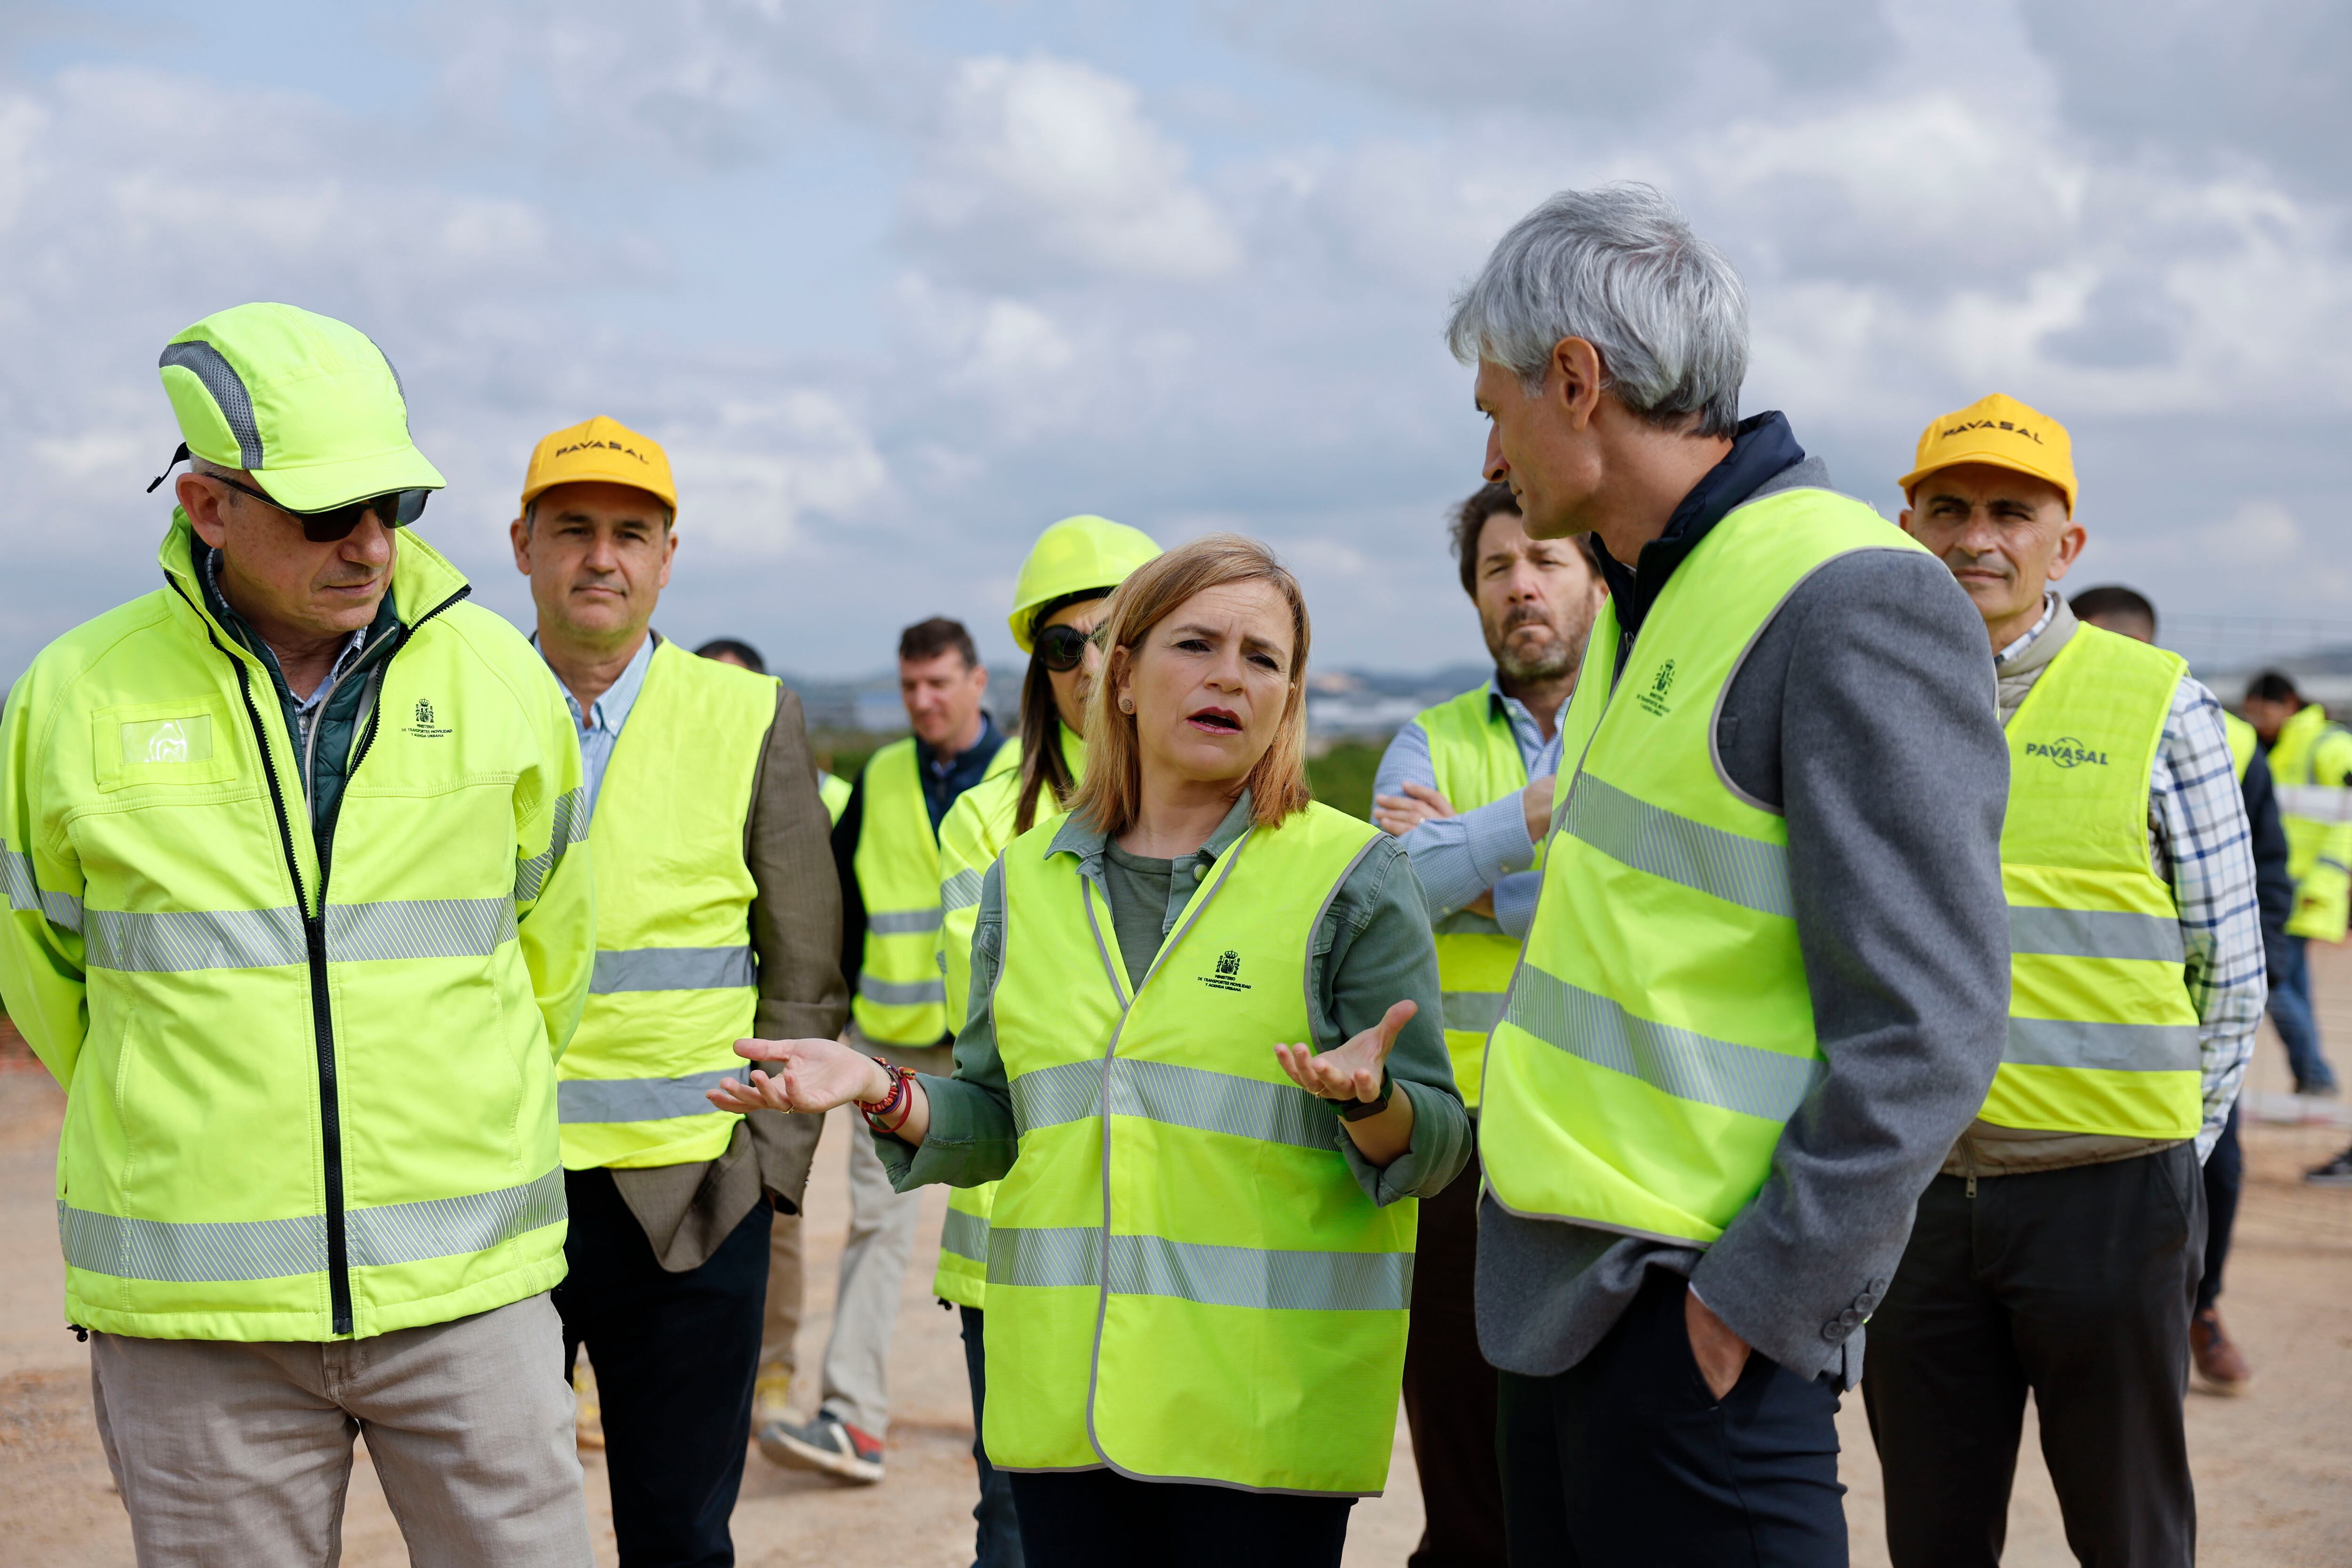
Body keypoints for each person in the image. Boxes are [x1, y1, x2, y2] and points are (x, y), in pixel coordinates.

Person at [712, 534, 1471, 1568]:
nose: (1228, 676)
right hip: (1065, 1406)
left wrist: (1371, 1101)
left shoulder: (1353, 878)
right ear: (1121, 678)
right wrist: (877, 1086)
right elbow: (998, 1120)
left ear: (1289, 697)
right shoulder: (1022, 880)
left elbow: (1433, 1147)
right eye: (1196, 644)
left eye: (1262, 658)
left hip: (1261, 1413)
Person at [1454, 187, 2013, 1566]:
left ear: (1574, 379)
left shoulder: (1845, 594)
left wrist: (1745, 1309)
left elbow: (1931, 1027)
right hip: (1561, 1311)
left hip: (1690, 1322)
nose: (1489, 451)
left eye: (1495, 407)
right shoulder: (1647, 596)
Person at [0, 303, 597, 1563]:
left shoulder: (500, 679)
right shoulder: (75, 696)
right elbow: (52, 974)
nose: (371, 543)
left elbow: (550, 950)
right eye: (329, 513)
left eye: (394, 503)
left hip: (469, 1295)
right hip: (196, 1321)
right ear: (207, 505)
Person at [1865, 399, 2264, 1568]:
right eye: (1949, 509)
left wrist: (2169, 1154)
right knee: (1931, 1534)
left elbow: (2229, 969)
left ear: (2065, 544)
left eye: (2011, 511)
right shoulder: (1863, 694)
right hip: (1915, 1200)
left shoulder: (2158, 702)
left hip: (2109, 1194)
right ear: (1908, 529)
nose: (1976, 537)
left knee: (2128, 1531)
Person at [513, 418, 846, 1564]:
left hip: (694, 1202)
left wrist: (767, 1170)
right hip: (494, 1193)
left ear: (666, 558)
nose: (600, 557)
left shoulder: (749, 712)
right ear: (523, 545)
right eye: (573, 529)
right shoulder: (461, 705)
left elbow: (804, 968)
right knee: (500, 1533)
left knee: (680, 1534)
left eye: (630, 533)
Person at [1366, 482, 1606, 1568]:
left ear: (1596, 582)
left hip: (1611, 1130)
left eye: (1546, 560)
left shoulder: (1644, 719)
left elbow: (1641, 887)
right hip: (1460, 1142)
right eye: (1496, 568)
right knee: (1464, 1463)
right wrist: (1546, 816)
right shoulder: (1429, 734)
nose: (1521, 586)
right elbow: (1392, 889)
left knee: (1598, 1450)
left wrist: (1475, 862)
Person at [930, 513, 1162, 1568]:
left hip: (1183, 1237)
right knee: (1022, 1530)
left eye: (1113, 633)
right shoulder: (988, 823)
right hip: (1024, 1241)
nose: (1089, 665)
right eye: (1062, 645)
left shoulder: (1240, 800)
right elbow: (1000, 1029)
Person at [762, 616, 1017, 1480]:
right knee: (875, 1224)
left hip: (1001, 1056)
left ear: (978, 682)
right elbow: (841, 902)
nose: (923, 701)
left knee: (1018, 1233)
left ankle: (1026, 1426)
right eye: (910, 686)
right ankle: (854, 1419)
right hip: (890, 1050)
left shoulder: (1034, 776)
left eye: (939, 683)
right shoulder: (882, 776)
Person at [2075, 584, 2283, 1393]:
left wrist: (2256, 966)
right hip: (2060, 1025)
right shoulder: (2023, 719)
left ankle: (2203, 1305)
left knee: (2216, 1166)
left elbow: (2266, 872)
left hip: (2171, 1021)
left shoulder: (2220, 735)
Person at [692, 634, 853, 1438]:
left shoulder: (817, 793)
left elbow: (814, 933)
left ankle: (778, 1368)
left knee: (771, 1222)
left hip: (767, 1057)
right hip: (674, 1063)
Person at [2241, 671, 2350, 1126]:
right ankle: (2312, 1078)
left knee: (2274, 983)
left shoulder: (2328, 745)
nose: (2257, 720)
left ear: (2288, 704)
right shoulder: (2277, 746)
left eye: (2263, 711)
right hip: (2278, 887)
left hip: (2306, 889)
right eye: (2251, 712)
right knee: (2293, 987)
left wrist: (2328, 879)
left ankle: (2315, 1074)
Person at [697, 638, 852, 825]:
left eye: (731, 694)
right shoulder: (684, 784)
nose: (716, 708)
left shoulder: (834, 797)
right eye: (702, 693)